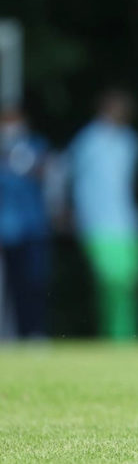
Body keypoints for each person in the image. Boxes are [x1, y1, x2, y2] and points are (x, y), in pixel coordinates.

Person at [66, 89, 138, 341]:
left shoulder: (130, 141)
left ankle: (126, 336)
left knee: (129, 282)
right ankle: (110, 334)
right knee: (111, 281)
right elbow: (63, 174)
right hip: (97, 223)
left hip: (126, 222)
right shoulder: (88, 140)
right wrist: (63, 208)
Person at [0, 106, 53, 338]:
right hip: (6, 228)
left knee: (31, 284)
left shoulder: (36, 146)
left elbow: (48, 176)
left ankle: (32, 333)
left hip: (31, 228)